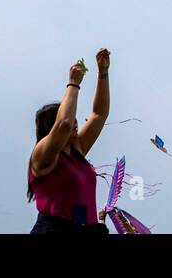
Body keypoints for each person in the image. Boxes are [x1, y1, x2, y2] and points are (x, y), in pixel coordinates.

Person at [28, 48, 111, 234]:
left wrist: (103, 72)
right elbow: (64, 123)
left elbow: (99, 114)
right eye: (71, 115)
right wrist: (73, 84)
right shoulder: (43, 155)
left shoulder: (76, 150)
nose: (75, 121)